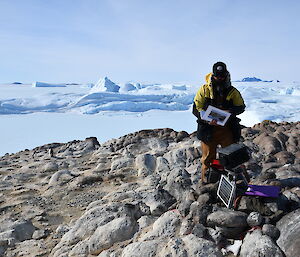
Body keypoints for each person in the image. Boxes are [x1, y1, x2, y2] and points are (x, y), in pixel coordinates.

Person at [192, 62, 245, 183]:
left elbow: (241, 107)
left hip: (227, 130)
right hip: (208, 130)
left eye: (222, 76)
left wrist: (230, 111)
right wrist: (205, 119)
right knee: (207, 158)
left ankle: (234, 182)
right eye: (217, 76)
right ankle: (206, 182)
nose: (219, 78)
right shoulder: (204, 90)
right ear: (213, 75)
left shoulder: (232, 91)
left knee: (232, 156)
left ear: (226, 75)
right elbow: (196, 108)